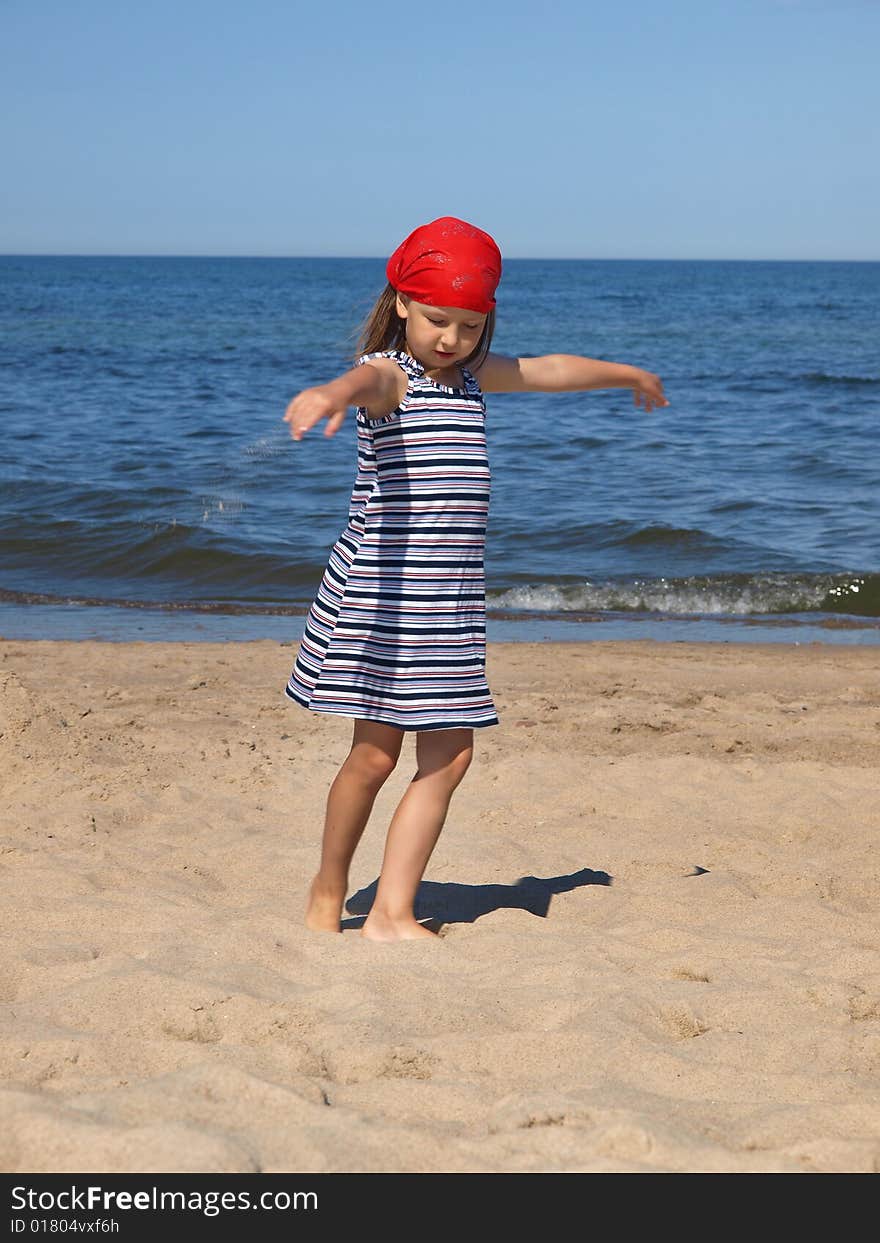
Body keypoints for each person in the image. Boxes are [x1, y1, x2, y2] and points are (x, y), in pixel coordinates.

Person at [282, 216, 668, 942]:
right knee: (373, 753)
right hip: (387, 598)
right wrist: (332, 393)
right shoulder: (392, 376)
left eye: (468, 323)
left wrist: (627, 374)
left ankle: (392, 910)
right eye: (436, 319)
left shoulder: (470, 380)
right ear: (401, 303)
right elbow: (367, 376)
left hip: (448, 604)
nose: (450, 338)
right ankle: (329, 886)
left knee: (450, 753)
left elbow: (549, 370)